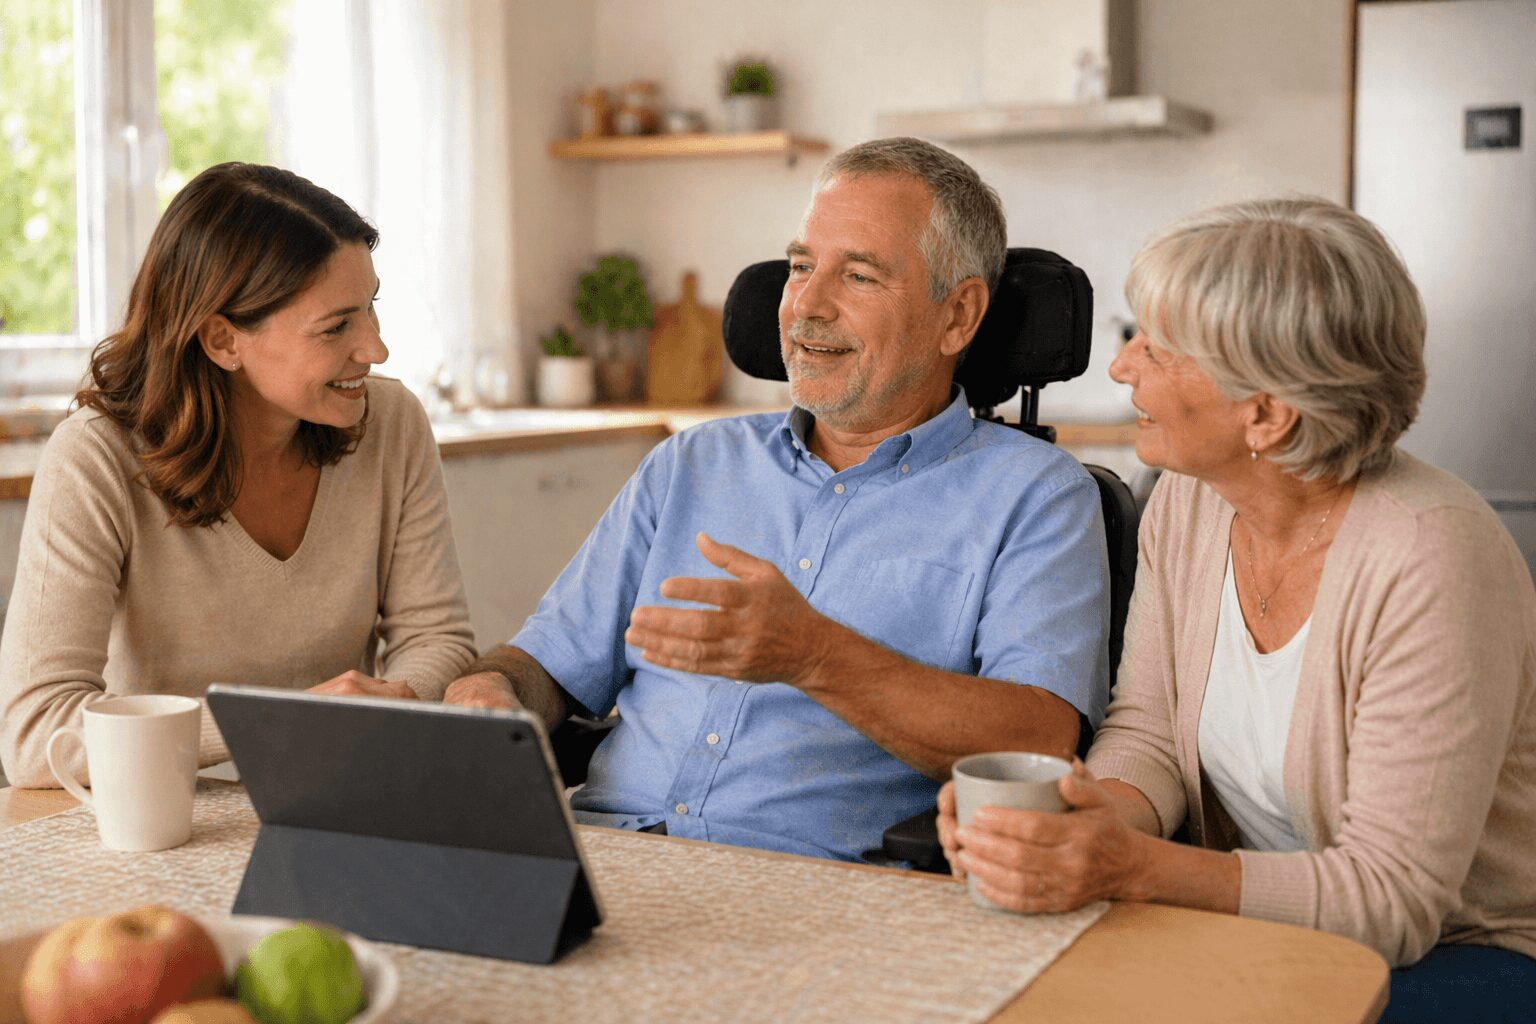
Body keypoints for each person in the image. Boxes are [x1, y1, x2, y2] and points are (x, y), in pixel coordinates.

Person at [936, 198, 1536, 1020]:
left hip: (1466, 956)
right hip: (1257, 929)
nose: (1121, 369)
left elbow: (1393, 902)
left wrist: (1130, 869)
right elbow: (1149, 734)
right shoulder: (1191, 500)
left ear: (1266, 412)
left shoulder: (1433, 556)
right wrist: (1067, 823)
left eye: (1157, 348)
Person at [444, 137, 1110, 862]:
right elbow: (546, 664)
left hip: (818, 890)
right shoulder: (690, 463)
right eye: (800, 267)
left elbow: (1040, 737)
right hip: (608, 856)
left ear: (957, 317)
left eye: (858, 276)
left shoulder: (1039, 495)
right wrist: (491, 692)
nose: (806, 306)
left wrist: (814, 655)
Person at [0, 163, 477, 788]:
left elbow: (437, 638)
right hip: (157, 821)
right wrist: (276, 722)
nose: (375, 348)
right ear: (224, 340)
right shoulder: (95, 460)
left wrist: (392, 703)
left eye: (370, 308)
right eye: (336, 326)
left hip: (334, 803)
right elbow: (36, 736)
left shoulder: (392, 423)